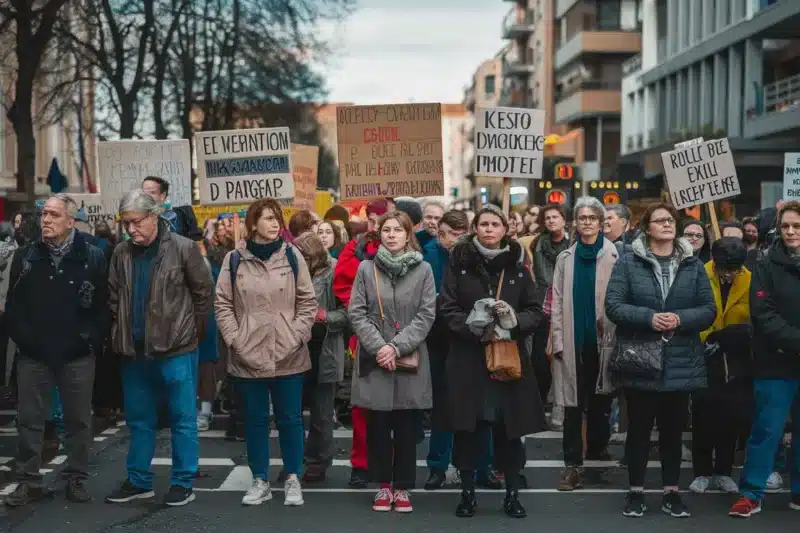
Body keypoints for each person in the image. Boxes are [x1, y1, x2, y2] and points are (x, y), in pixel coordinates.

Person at [605, 203, 716, 518]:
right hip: (641, 357)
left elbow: (708, 309)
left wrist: (680, 319)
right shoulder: (629, 262)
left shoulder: (692, 264)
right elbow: (613, 305)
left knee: (672, 433)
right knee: (639, 431)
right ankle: (636, 492)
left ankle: (671, 493)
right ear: (647, 227)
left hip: (681, 359)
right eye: (660, 220)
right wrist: (649, 318)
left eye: (671, 220)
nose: (667, 224)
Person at [105, 190, 213, 507]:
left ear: (154, 216)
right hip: (134, 351)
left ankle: (183, 482)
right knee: (139, 420)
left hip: (176, 349)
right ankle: (139, 480)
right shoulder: (121, 252)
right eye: (126, 223)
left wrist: (189, 333)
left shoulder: (183, 248)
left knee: (183, 418)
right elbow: (114, 296)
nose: (131, 229)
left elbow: (203, 295)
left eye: (136, 222)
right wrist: (120, 331)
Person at [439, 205, 547, 519]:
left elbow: (535, 311)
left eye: (495, 224)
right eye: (483, 224)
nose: (489, 229)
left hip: (508, 358)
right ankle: (467, 494)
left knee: (509, 431)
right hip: (468, 358)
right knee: (468, 430)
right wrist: (473, 325)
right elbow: (447, 309)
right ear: (475, 228)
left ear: (504, 229)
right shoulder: (459, 264)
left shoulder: (518, 267)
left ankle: (512, 494)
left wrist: (513, 320)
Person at [4, 194, 108, 507]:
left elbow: (103, 307)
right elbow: (13, 307)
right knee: (29, 420)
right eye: (44, 214)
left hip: (77, 355)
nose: (46, 220)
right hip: (34, 355)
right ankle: (28, 481)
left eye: (53, 215)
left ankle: (76, 478)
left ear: (71, 221)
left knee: (78, 420)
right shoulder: (25, 256)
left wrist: (87, 340)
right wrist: (27, 340)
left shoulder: (92, 256)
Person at [215, 198, 316, 507]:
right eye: (268, 218)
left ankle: (293, 478)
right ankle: (260, 480)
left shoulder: (293, 256)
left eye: (277, 218)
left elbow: (308, 302)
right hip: (248, 355)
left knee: (290, 420)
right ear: (253, 223)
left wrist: (296, 336)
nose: (275, 224)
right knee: (255, 421)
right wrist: (235, 340)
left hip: (289, 354)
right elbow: (222, 303)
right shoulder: (234, 259)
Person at [348, 211, 436, 513]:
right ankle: (383, 486)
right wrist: (380, 347)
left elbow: (426, 314)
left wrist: (396, 347)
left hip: (409, 357)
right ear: (379, 234)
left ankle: (403, 487)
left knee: (406, 428)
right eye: (386, 230)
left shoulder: (423, 269)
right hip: (376, 360)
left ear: (408, 234)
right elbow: (357, 312)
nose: (392, 235)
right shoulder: (366, 268)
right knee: (378, 427)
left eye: (398, 230)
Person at [729, 200, 800, 518]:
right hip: (775, 362)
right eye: (785, 226)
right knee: (767, 430)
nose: (790, 231)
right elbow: (762, 312)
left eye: (797, 226)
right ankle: (751, 494)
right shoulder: (765, 262)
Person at [423, 211, 501, 491]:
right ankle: (438, 466)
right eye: (448, 234)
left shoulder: (475, 257)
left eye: (460, 234)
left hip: (472, 339)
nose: (453, 240)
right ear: (440, 233)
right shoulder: (427, 257)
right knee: (443, 407)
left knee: (481, 408)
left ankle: (483, 466)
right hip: (439, 339)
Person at [551, 197, 619, 491]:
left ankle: (597, 446)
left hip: (605, 340)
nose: (587, 222)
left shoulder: (615, 255)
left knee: (602, 398)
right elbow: (556, 302)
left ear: (601, 223)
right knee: (572, 404)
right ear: (575, 223)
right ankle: (572, 464)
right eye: (582, 218)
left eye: (593, 217)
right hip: (572, 340)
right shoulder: (565, 258)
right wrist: (556, 339)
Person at [689, 237, 752, 495]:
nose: (729, 275)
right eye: (725, 270)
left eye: (734, 270)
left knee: (731, 415)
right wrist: (706, 338)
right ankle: (702, 472)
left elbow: (754, 318)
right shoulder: (698, 275)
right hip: (703, 353)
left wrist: (734, 335)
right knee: (703, 414)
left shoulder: (750, 279)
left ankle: (724, 471)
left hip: (736, 357)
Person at [332, 198, 388, 488]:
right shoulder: (355, 248)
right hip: (364, 334)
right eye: (375, 219)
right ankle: (362, 464)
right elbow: (342, 286)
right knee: (363, 404)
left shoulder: (410, 249)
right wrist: (361, 313)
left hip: (401, 334)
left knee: (397, 406)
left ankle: (392, 463)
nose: (379, 226)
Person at [293, 232, 348, 483]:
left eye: (303, 255)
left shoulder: (334, 271)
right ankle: (294, 460)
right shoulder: (291, 271)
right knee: (291, 412)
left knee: (321, 413)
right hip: (295, 348)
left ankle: (318, 461)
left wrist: (325, 316)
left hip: (324, 348)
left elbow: (349, 313)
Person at [529, 203, 570, 416]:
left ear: (564, 219)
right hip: (543, 304)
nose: (551, 221)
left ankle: (562, 405)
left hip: (567, 303)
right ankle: (541, 404)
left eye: (555, 217)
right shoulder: (537, 243)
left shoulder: (574, 243)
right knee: (541, 358)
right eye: (548, 218)